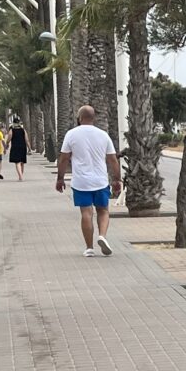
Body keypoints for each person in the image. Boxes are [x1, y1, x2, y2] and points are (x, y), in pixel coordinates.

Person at [56, 105, 123, 257]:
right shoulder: (103, 135)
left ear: (79, 118)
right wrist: (117, 179)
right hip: (100, 180)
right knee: (103, 211)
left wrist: (60, 178)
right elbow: (112, 159)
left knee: (86, 213)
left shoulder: (71, 134)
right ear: (94, 118)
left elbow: (64, 158)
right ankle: (102, 236)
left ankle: (89, 248)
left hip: (81, 182)